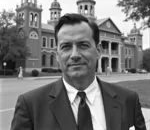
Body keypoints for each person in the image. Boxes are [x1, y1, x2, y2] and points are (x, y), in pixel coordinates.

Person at [11, 13, 146, 130]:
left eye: (83, 45)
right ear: (57, 54)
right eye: (66, 46)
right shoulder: (30, 105)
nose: (75, 54)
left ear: (98, 50)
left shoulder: (128, 100)